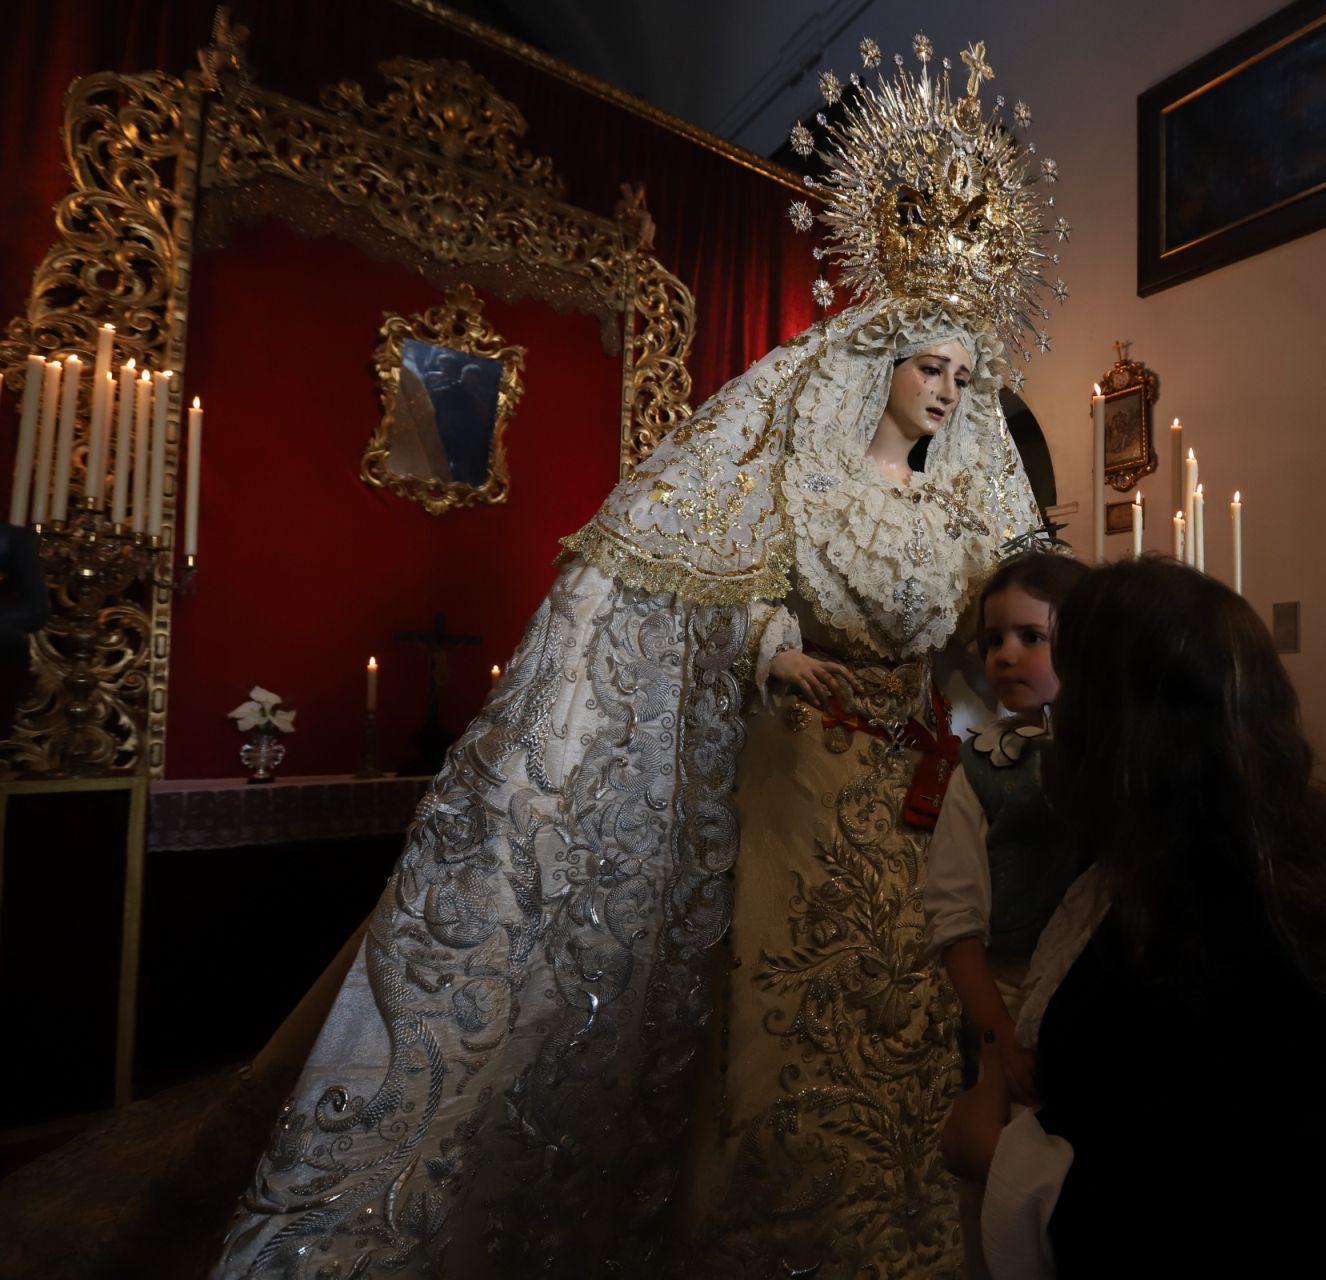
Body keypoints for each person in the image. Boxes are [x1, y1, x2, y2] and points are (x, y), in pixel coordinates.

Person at [216, 35, 1058, 1279]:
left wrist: (1003, 689)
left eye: (962, 373)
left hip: (917, 794)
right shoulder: (803, 479)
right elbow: (735, 588)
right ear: (879, 362)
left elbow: (982, 650)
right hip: (802, 776)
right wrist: (777, 653)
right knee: (786, 1017)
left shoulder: (961, 516)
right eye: (930, 365)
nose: (947, 389)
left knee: (913, 1004)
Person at [940, 558, 1326, 1277]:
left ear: (1122, 727)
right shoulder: (1177, 878)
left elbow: (1223, 1202)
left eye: (1076, 690)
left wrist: (1002, 1161)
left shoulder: (1208, 930)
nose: (1058, 714)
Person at [922, 550, 1087, 1277]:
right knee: (1006, 1207)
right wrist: (999, 1043)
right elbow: (956, 923)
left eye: (1031, 636)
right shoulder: (981, 770)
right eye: (992, 640)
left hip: (1102, 1008)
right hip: (1013, 1005)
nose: (1005, 655)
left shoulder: (1117, 755)